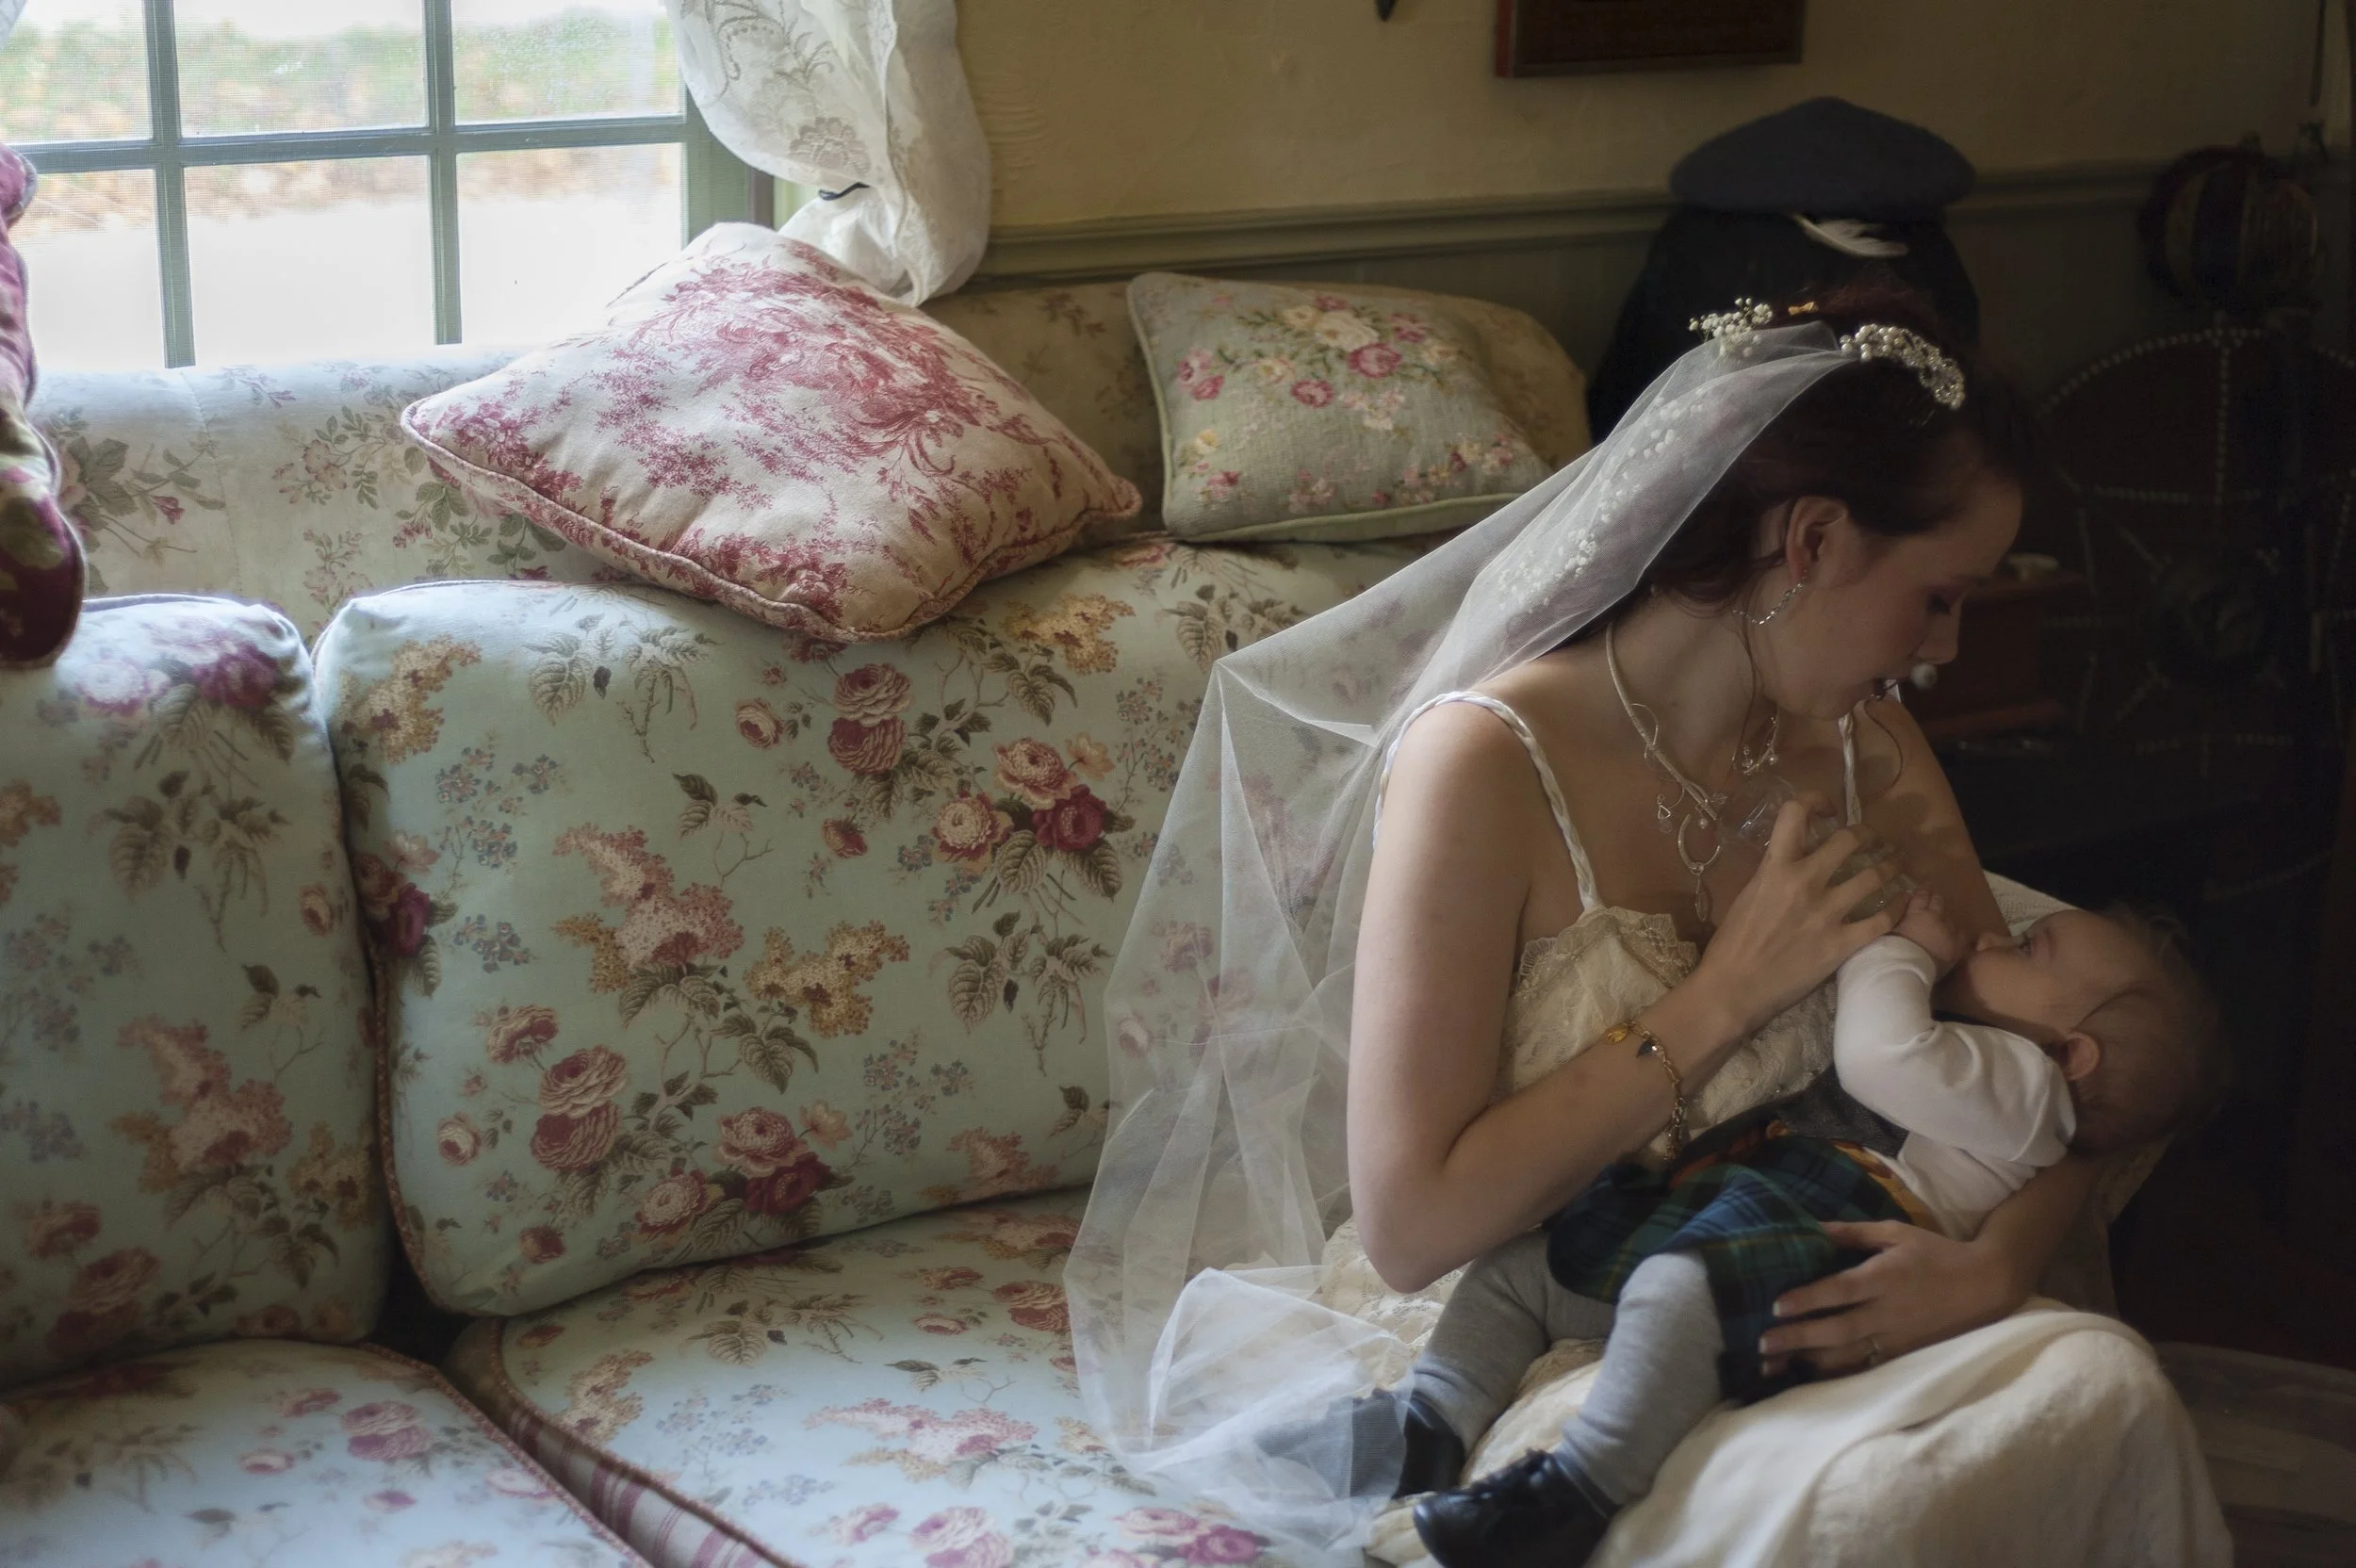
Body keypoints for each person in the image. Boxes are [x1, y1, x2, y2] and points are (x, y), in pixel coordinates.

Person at [1067, 286, 2230, 1567]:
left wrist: (1989, 1270)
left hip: (1826, 1284)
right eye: (1939, 597)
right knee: (1857, 1511)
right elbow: (1412, 1226)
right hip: (1560, 1317)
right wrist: (1726, 992)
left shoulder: (1873, 749)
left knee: (2109, 1388)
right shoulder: (1486, 768)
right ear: (1815, 539)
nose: (1944, 650)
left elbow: (2047, 1075)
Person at [1398, 889, 2224, 1567]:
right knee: (1524, 1270)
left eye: (2028, 947)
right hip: (1754, 1207)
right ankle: (1429, 1420)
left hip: (1838, 1228)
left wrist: (1902, 950)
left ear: (2073, 1054)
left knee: (1680, 1288)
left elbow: (1879, 1055)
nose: (1990, 937)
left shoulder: (2031, 1089)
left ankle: (1576, 1491)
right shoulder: (2006, 1063)